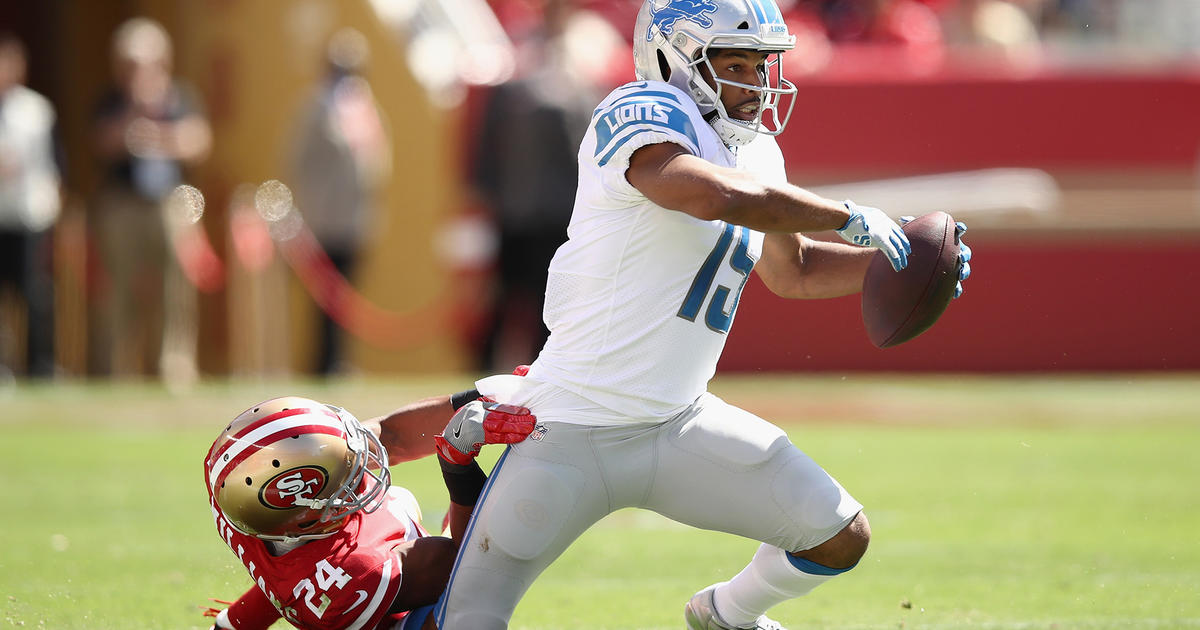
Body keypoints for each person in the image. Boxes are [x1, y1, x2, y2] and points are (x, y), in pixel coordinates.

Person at [432, 1, 971, 629]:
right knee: (466, 620)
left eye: (762, 63)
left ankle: (727, 614)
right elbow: (702, 192)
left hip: (677, 421)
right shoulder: (641, 112)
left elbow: (791, 272)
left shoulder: (759, 154)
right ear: (675, 58)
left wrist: (893, 262)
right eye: (734, 63)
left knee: (837, 534)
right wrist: (844, 215)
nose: (756, 82)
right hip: (568, 428)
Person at [201, 389, 537, 630]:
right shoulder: (357, 571)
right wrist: (457, 463)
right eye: (343, 478)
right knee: (474, 613)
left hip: (310, 580)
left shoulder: (233, 489)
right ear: (304, 520)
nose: (359, 473)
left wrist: (478, 397)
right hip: (394, 613)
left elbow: (389, 435)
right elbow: (473, 564)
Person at [90, 17, 211, 385]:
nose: (134, 72)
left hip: (171, 202)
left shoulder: (181, 97)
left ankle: (173, 367)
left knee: (175, 287)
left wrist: (159, 134)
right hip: (122, 205)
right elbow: (100, 142)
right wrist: (133, 112)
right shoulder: (110, 100)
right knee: (117, 288)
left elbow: (198, 142)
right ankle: (113, 369)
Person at [288, 27, 391, 376]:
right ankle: (322, 364)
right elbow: (297, 159)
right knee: (324, 300)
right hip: (324, 219)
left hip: (355, 218)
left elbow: (377, 157)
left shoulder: (363, 105)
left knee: (347, 297)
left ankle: (339, 361)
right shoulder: (316, 105)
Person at [0, 32, 60, 380]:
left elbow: (53, 162)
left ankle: (41, 365)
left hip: (28, 214)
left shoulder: (36, 110)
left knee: (34, 292)